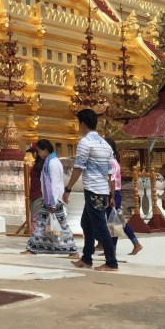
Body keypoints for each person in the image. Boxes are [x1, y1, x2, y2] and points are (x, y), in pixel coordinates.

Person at [66, 109, 118, 272]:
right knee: (86, 223)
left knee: (100, 226)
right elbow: (111, 172)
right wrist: (111, 192)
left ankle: (111, 262)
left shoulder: (85, 142)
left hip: (93, 189)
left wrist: (68, 188)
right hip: (102, 190)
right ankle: (87, 258)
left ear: (82, 123)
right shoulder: (105, 144)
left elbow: (78, 167)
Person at [24, 139, 78, 255]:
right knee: (41, 224)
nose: (38, 154)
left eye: (39, 151)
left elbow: (54, 183)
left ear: (45, 150)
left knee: (62, 225)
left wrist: (52, 203)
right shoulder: (50, 161)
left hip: (54, 200)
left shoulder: (53, 163)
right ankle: (32, 248)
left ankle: (72, 249)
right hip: (49, 199)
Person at [107, 139, 142, 257]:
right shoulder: (115, 160)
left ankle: (134, 243)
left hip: (113, 193)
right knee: (116, 221)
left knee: (116, 221)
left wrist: (111, 196)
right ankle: (114, 248)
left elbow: (111, 180)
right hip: (115, 192)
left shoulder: (111, 161)